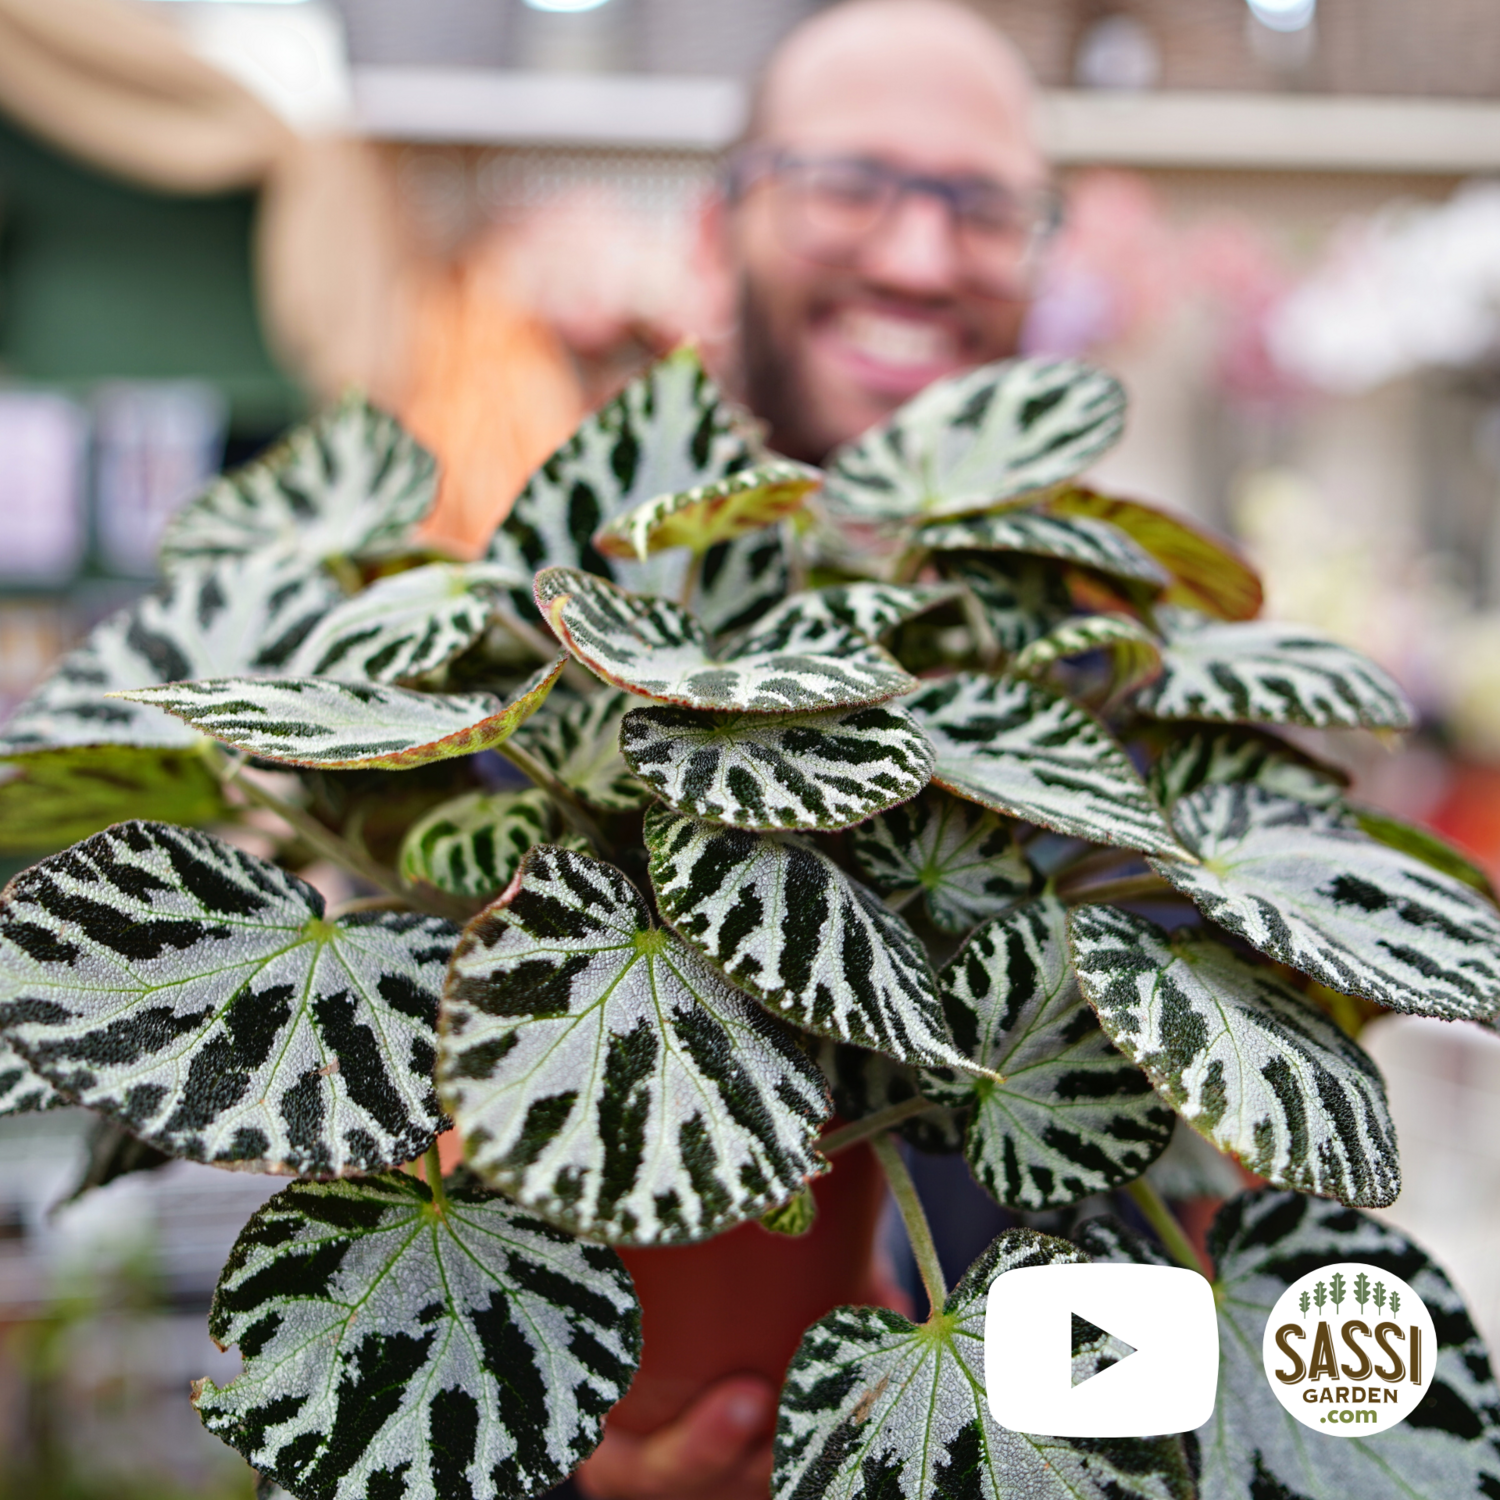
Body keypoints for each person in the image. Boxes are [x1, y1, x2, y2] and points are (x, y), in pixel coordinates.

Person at [567, 3, 1056, 1497]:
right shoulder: (544, 659)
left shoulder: (1102, 702)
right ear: (720, 229)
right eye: (850, 181)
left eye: (981, 206)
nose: (918, 256)